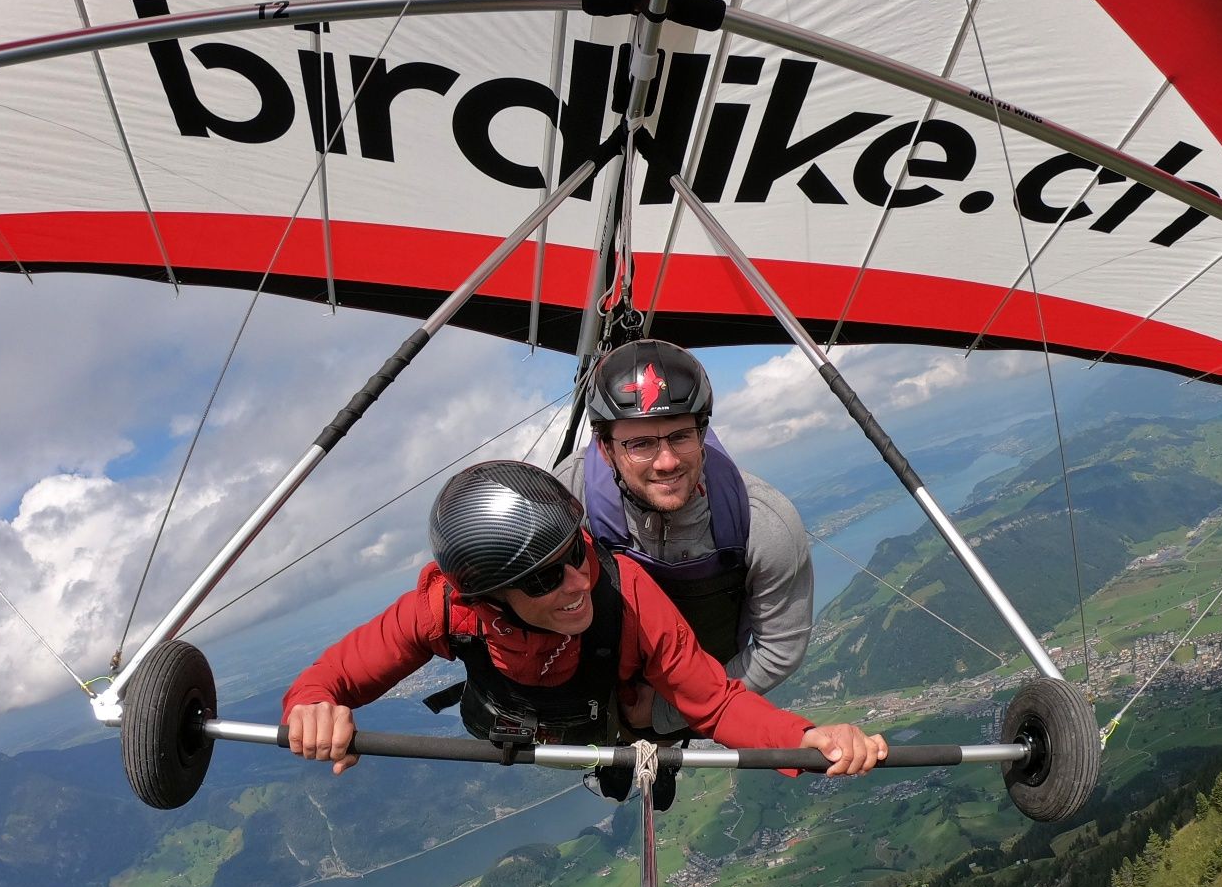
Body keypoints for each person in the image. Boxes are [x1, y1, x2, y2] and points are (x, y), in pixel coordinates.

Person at [281, 461, 884, 796]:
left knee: (636, 757)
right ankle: (616, 771)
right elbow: (328, 679)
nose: (575, 582)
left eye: (577, 551)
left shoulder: (626, 596)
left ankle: (646, 767)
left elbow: (714, 700)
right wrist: (314, 707)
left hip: (612, 716)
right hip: (522, 718)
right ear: (488, 598)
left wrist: (799, 740)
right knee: (609, 772)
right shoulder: (445, 609)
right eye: (541, 581)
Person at [555, 338, 813, 740]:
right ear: (605, 450)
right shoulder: (566, 503)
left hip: (696, 698)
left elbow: (779, 649)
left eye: (680, 436)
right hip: (595, 691)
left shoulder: (760, 522)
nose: (667, 462)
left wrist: (666, 712)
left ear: (702, 432)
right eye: (640, 443)